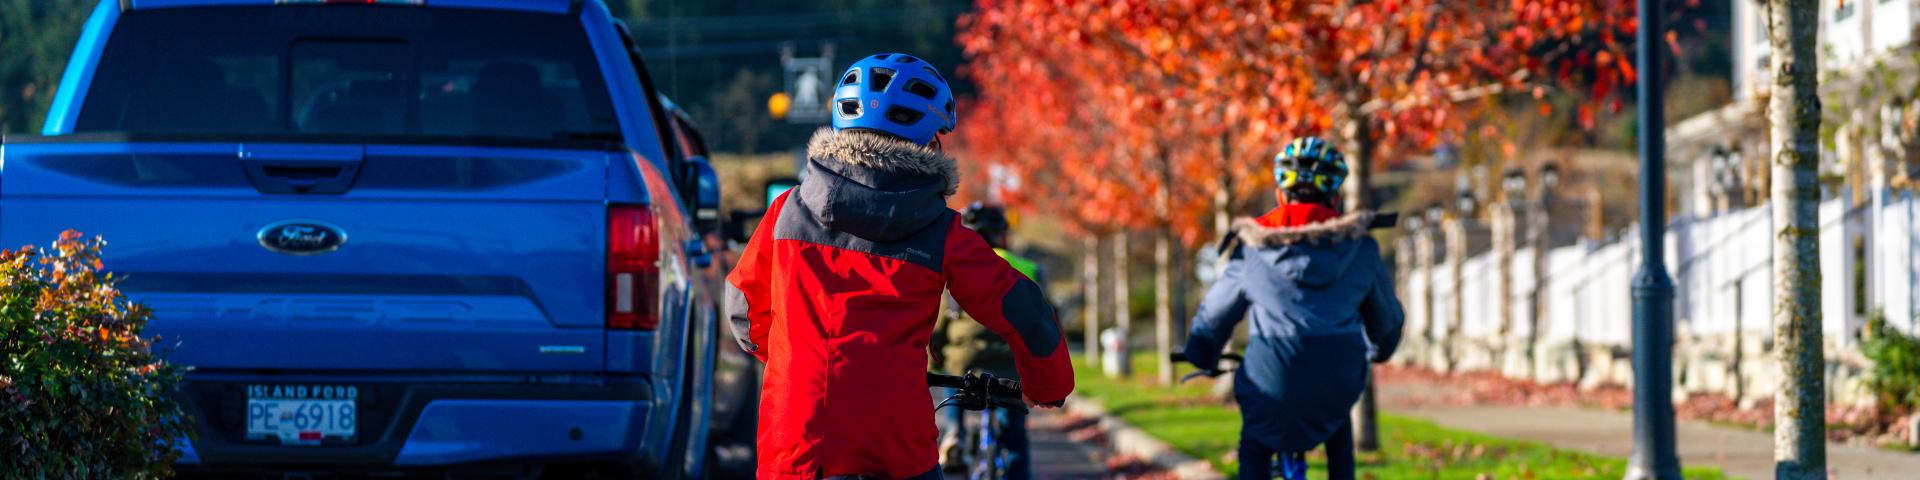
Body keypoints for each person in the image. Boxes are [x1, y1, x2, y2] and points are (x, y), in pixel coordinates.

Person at [726, 53, 1074, 480]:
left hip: (796, 441)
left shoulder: (785, 213)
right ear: (930, 144)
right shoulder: (940, 232)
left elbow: (743, 306)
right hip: (894, 445)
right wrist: (1047, 386)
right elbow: (1024, 309)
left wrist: (794, 358)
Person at [1181, 137, 1405, 480]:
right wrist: (1381, 349)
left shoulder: (1252, 250)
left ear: (1280, 195)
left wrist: (1201, 351)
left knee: (1256, 437)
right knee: (1337, 423)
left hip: (1272, 377)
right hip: (1337, 377)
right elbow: (1387, 323)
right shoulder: (1361, 249)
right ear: (1335, 197)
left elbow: (1214, 314)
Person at [932, 202, 1045, 477]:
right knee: (1015, 440)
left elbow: (940, 327)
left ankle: (955, 429)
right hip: (1011, 363)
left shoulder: (952, 266)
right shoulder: (1028, 268)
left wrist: (934, 363)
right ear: (1002, 233)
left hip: (967, 359)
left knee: (952, 368)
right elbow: (1045, 322)